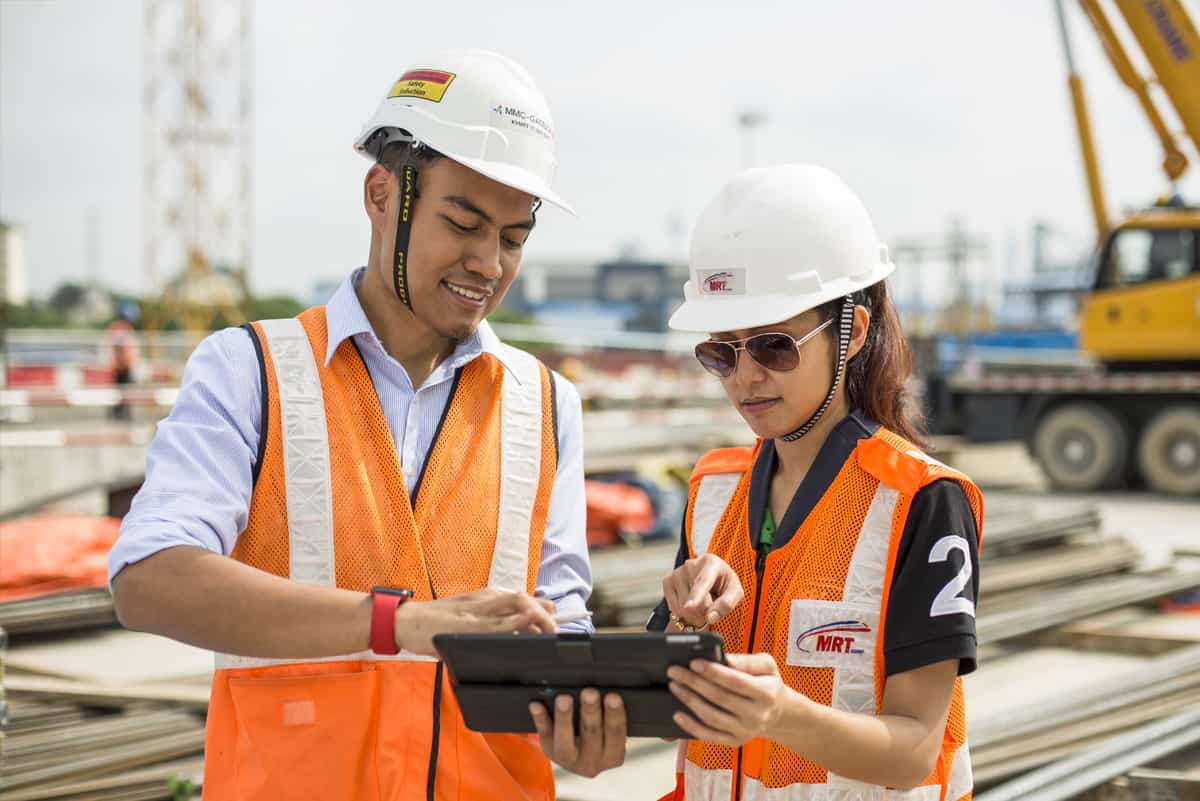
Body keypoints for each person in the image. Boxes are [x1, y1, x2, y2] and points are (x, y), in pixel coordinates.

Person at [108, 49, 625, 800]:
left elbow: (561, 626)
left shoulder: (545, 405)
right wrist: (396, 622)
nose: (488, 261)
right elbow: (148, 580)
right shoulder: (251, 371)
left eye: (513, 238)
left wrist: (587, 726)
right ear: (382, 193)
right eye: (463, 222)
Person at [649, 164, 983, 801]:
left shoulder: (922, 501)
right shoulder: (711, 491)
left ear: (851, 331)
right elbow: (672, 718)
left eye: (774, 346)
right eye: (722, 351)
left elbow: (915, 749)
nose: (744, 377)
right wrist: (675, 635)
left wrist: (779, 715)